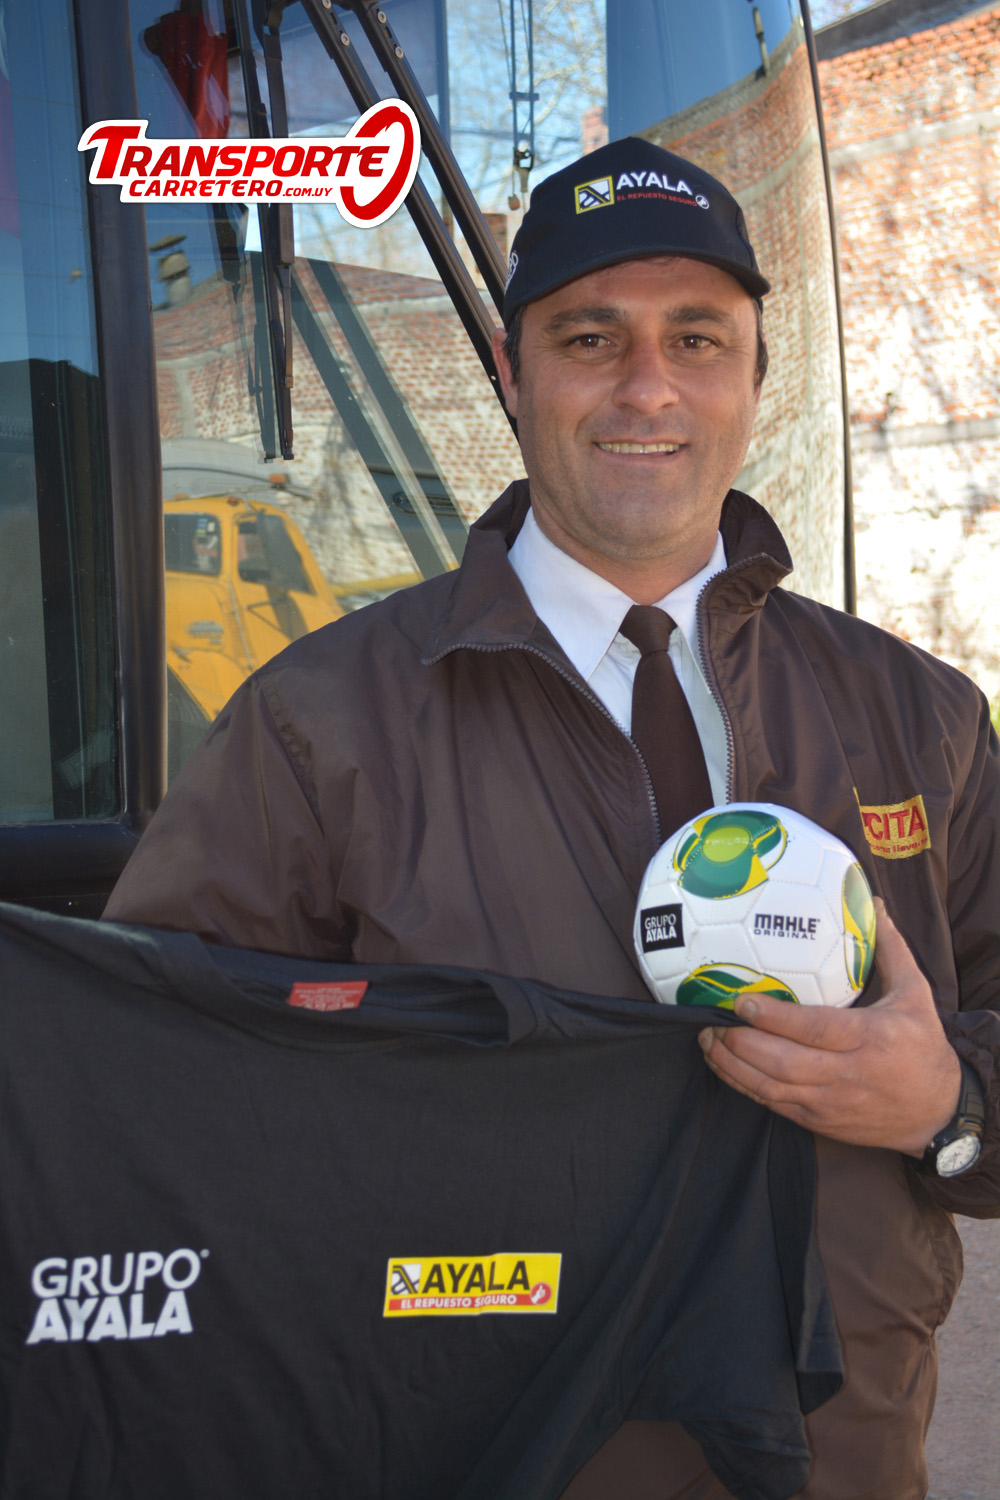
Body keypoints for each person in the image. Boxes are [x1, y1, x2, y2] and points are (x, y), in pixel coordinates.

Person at [105, 137, 1000, 1499]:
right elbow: (156, 1102)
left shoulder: (917, 712)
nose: (648, 387)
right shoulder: (318, 724)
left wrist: (945, 1102)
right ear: (513, 375)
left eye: (697, 338)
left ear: (754, 374)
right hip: (478, 1453)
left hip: (844, 1457)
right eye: (591, 338)